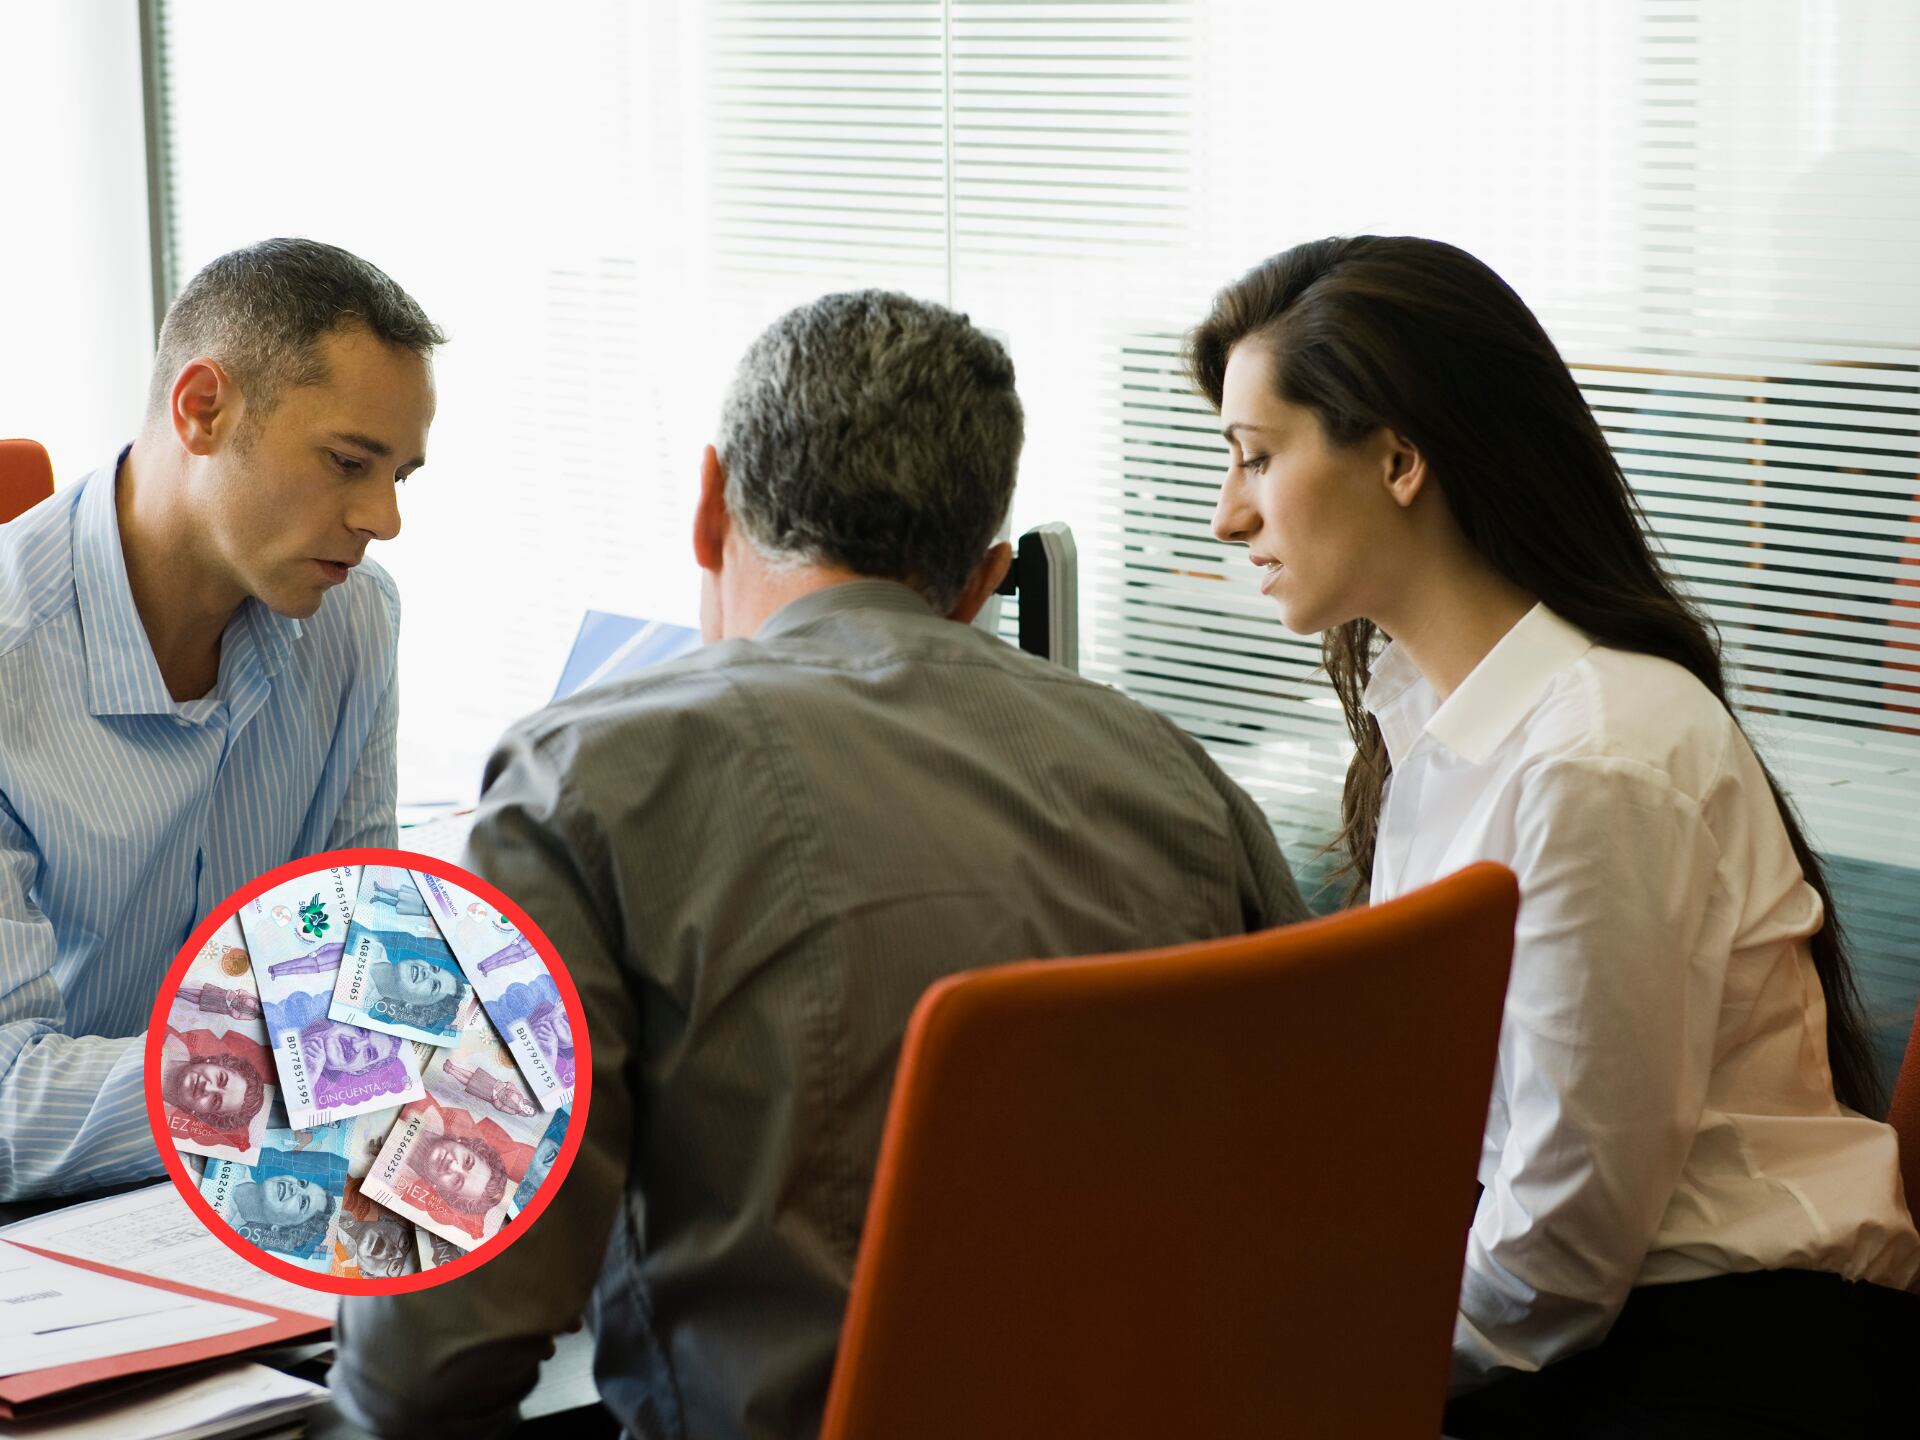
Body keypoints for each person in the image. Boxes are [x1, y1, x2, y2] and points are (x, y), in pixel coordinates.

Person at [331, 289, 1306, 1439]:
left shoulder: (584, 781)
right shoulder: (1179, 778)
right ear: (985, 581)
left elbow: (431, 1356)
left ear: (710, 510)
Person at [1188, 235, 1920, 1436]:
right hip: (1620, 1321)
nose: (1229, 518)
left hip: (1732, 1339)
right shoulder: (1440, 728)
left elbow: (1562, 1251)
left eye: (1257, 460)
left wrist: (1327, 1368)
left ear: (1401, 459)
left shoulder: (1593, 757)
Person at [0, 238, 441, 1201]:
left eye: (399, 475)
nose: (382, 518)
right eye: (348, 462)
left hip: (255, 1195)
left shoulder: (354, 621)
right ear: (202, 410)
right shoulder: (9, 660)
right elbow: (3, 1103)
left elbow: (359, 959)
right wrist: (282, 1071)